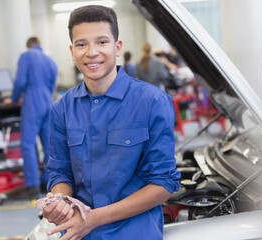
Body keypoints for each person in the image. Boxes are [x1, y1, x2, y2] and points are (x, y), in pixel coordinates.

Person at [42, 5, 180, 240]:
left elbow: (163, 184)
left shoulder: (152, 102)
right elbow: (61, 172)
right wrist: (60, 201)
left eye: (102, 42)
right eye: (82, 44)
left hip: (136, 233)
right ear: (72, 51)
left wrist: (94, 219)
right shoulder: (61, 109)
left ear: (117, 47)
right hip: (78, 232)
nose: (91, 52)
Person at [5, 36, 58, 198]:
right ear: (39, 45)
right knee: (49, 145)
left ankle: (32, 186)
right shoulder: (50, 60)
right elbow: (52, 83)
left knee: (28, 144)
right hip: (48, 100)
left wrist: (13, 99)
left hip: (32, 101)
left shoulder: (26, 56)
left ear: (28, 46)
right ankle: (48, 183)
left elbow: (20, 81)